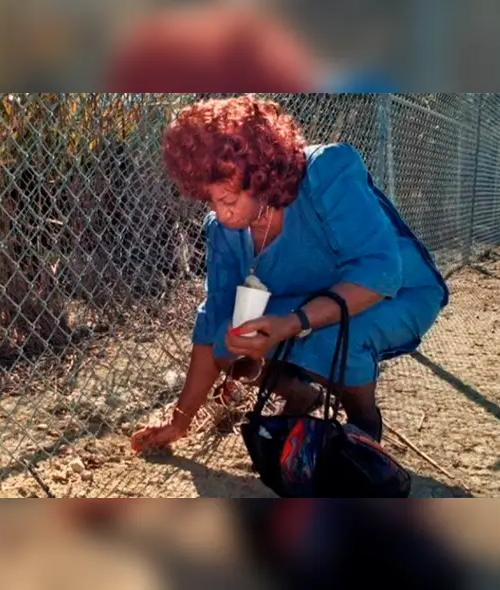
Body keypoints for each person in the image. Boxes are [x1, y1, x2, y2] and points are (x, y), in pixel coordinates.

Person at [130, 95, 449, 453]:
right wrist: (179, 421)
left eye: (230, 200)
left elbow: (380, 271)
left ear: (262, 174)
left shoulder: (327, 171)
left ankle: (363, 422)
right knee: (229, 335)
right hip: (314, 302)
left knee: (327, 338)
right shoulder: (222, 230)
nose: (221, 215)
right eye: (210, 201)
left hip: (399, 292)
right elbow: (212, 326)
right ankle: (301, 393)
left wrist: (292, 323)